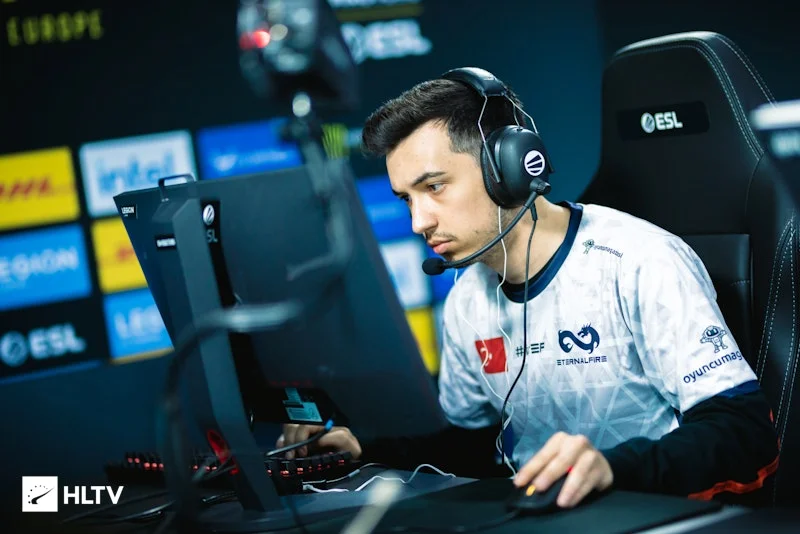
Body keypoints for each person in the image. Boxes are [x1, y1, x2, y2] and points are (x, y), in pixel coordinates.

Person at [276, 69, 780, 508]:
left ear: (510, 167)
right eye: (407, 199)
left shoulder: (639, 261)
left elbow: (746, 433)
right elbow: (472, 444)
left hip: (652, 511)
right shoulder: (467, 297)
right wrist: (364, 446)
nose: (418, 222)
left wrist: (612, 469)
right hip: (542, 513)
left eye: (434, 187)